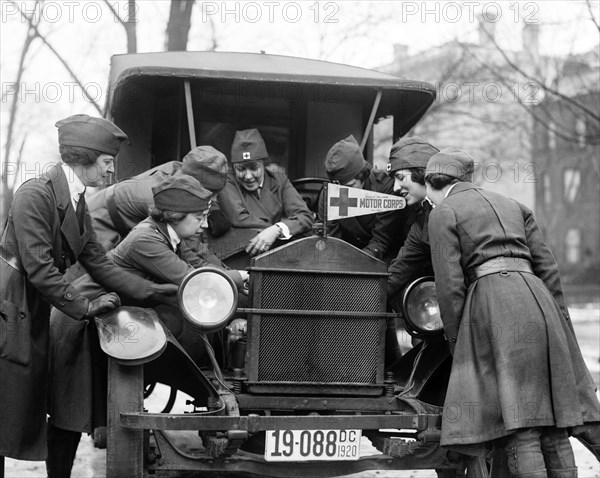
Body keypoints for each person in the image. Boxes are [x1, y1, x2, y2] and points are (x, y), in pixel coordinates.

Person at [0, 114, 177, 465]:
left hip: (33, 305)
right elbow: (39, 267)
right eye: (107, 163)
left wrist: (157, 292)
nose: (112, 172)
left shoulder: (76, 201)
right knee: (6, 408)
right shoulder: (35, 195)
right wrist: (84, 306)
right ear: (83, 159)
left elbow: (99, 262)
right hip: (11, 304)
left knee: (42, 404)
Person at [47, 174, 248, 477]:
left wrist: (232, 277)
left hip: (104, 322)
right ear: (175, 215)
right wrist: (243, 278)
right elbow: (191, 281)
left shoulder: (169, 237)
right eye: (199, 216)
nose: (204, 224)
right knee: (70, 413)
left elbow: (200, 267)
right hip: (80, 324)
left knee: (90, 408)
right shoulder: (147, 239)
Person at [425, 148, 600, 478]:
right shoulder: (514, 205)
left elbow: (450, 287)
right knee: (554, 425)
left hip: (492, 306)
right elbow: (549, 269)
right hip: (538, 300)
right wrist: (561, 326)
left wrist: (460, 344)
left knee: (521, 425)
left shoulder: (443, 212)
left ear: (433, 184)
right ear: (467, 178)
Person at [87, 144, 231, 253]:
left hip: (123, 219)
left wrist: (213, 209)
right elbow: (189, 248)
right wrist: (225, 274)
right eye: (210, 193)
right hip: (97, 220)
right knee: (91, 280)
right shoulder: (161, 197)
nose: (213, 199)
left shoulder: (182, 170)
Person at [218, 128, 314, 256]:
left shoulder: (279, 180)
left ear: (263, 164)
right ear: (233, 168)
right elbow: (239, 218)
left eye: (253, 168)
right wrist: (284, 227)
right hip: (238, 254)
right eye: (241, 169)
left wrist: (276, 229)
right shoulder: (227, 182)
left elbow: (305, 216)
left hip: (276, 253)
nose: (248, 176)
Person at [317, 135, 409, 262]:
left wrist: (355, 266)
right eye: (339, 188)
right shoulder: (330, 193)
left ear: (363, 175)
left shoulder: (387, 189)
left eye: (350, 186)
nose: (343, 194)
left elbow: (380, 241)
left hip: (383, 257)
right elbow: (330, 238)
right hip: (343, 256)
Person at [386, 136, 441, 306]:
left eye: (401, 177)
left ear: (421, 173)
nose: (395, 188)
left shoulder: (462, 205)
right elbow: (399, 271)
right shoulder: (422, 221)